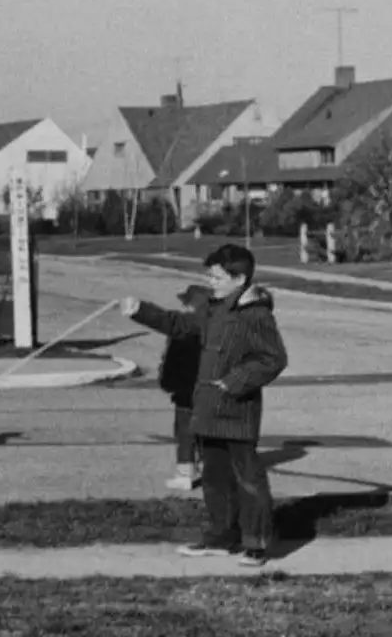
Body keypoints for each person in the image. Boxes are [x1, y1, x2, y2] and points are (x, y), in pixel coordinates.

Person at [120, 243, 288, 568]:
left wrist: (235, 381)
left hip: (237, 410)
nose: (211, 282)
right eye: (210, 276)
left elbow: (273, 359)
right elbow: (180, 325)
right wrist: (140, 309)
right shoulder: (213, 310)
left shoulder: (256, 315)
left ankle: (256, 542)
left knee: (248, 478)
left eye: (217, 277)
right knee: (214, 478)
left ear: (239, 279)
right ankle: (221, 537)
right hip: (209, 409)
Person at [157, 286, 212, 491]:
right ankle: (210, 467)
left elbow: (171, 360)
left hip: (186, 388)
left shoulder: (182, 329)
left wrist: (167, 382)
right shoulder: (217, 327)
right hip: (210, 388)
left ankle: (185, 472)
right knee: (207, 430)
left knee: (185, 431)